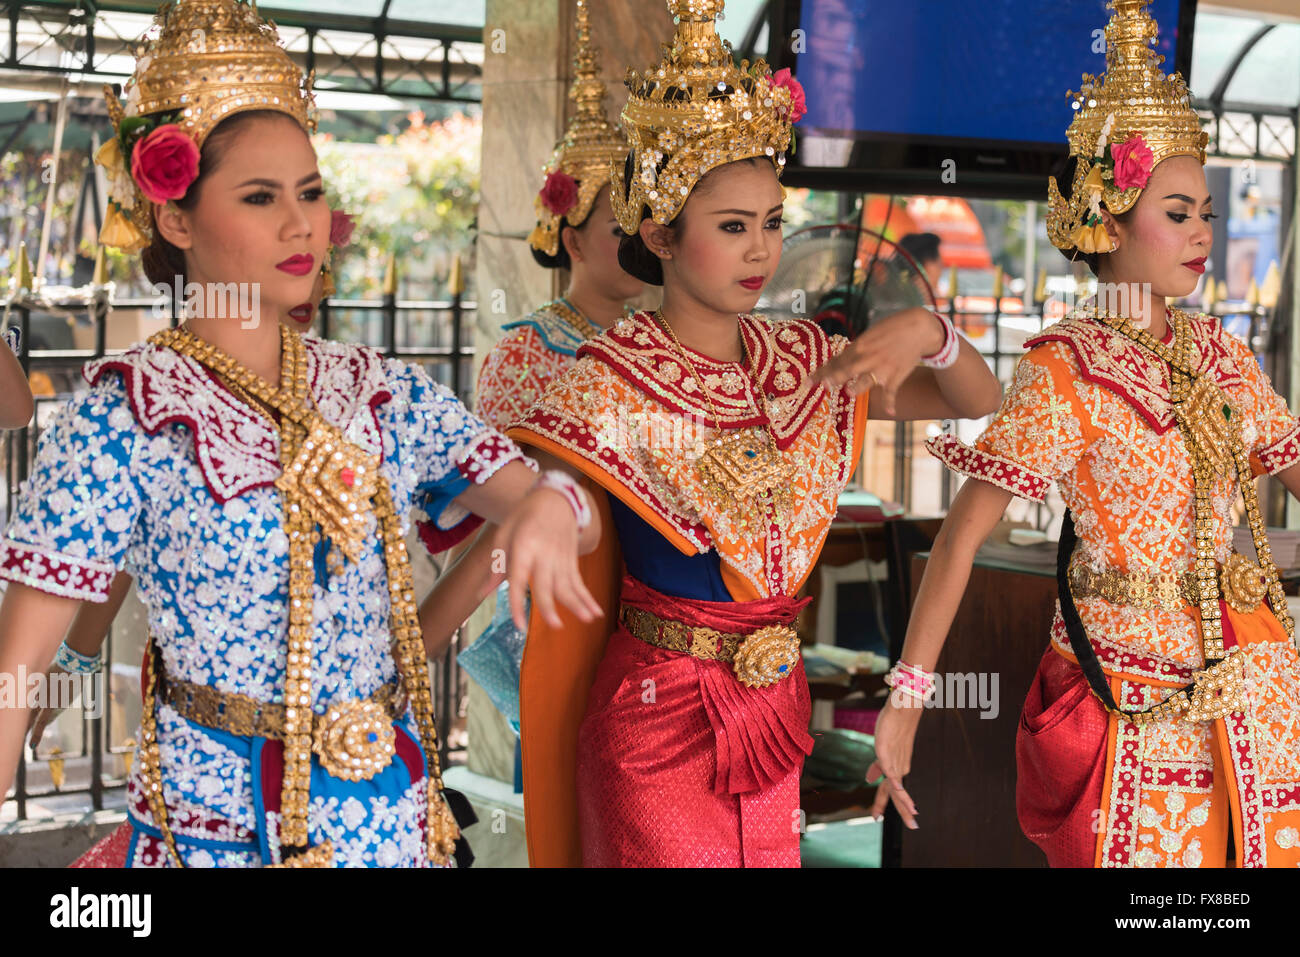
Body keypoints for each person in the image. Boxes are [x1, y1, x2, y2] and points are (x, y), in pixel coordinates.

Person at [0, 0, 602, 868]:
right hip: (213, 833)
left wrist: (550, 502)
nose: (301, 224)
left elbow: (563, 515)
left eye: (311, 192)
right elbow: (19, 669)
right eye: (260, 197)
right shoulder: (125, 412)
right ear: (176, 219)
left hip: (388, 824)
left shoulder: (382, 391)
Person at [506, 0, 1002, 867]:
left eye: (772, 223)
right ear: (661, 233)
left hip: (773, 704)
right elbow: (574, 503)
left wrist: (931, 329)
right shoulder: (608, 373)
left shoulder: (806, 356)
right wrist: (547, 503)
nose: (760, 251)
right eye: (732, 227)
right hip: (655, 717)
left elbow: (973, 397)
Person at [842, 0, 1300, 868]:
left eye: (1206, 210)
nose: (1203, 232)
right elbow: (964, 535)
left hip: (1253, 678)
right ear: (1109, 217)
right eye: (1177, 212)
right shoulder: (1070, 366)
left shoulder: (1222, 354)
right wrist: (906, 693)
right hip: (1127, 692)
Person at [416, 0, 643, 733]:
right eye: (620, 230)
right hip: (561, 598)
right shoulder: (526, 352)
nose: (640, 242)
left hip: (661, 599)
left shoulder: (668, 341)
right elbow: (503, 516)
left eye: (647, 225)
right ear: (571, 240)